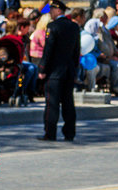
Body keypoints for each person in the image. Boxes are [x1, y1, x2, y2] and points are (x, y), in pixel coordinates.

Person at [38, 0, 80, 142]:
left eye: (51, 10)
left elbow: (48, 50)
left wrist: (43, 68)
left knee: (52, 104)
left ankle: (50, 133)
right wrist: (75, 70)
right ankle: (70, 133)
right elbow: (76, 51)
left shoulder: (52, 26)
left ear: (58, 10)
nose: (50, 12)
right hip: (68, 71)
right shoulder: (74, 27)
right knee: (68, 103)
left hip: (55, 72)